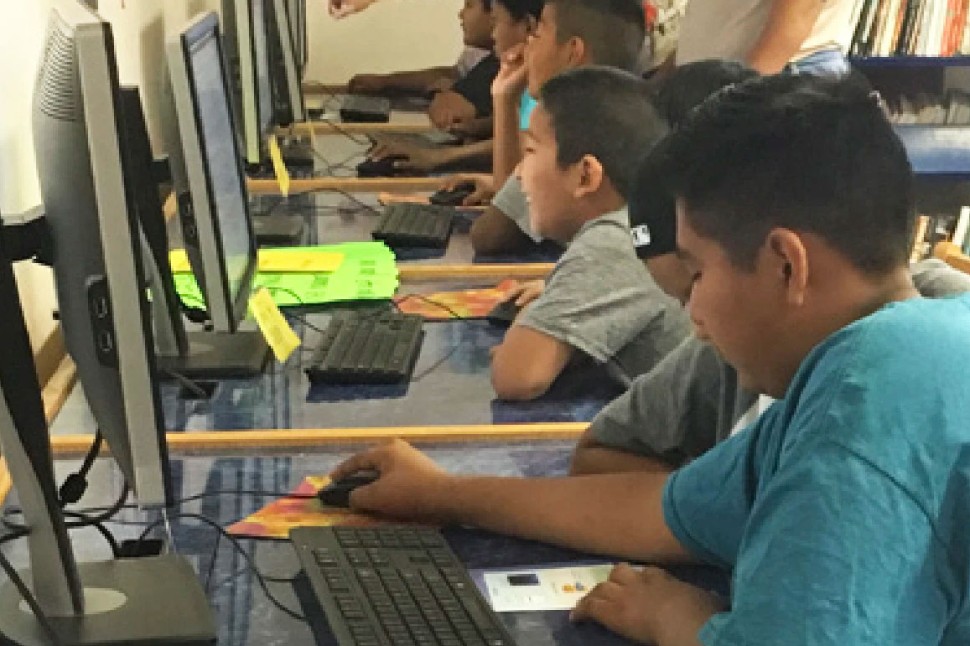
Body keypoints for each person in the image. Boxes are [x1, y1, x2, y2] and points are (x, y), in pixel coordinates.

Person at [330, 74, 970, 645]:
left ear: (785, 265)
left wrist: (682, 623)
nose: (690, 313)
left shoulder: (869, 401)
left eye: (695, 271)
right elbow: (662, 512)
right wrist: (441, 493)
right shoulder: (876, 356)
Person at [491, 67, 688, 399]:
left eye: (530, 152)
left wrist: (537, 313)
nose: (520, 174)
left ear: (585, 175)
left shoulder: (615, 241)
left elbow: (517, 376)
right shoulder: (636, 224)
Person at [471, 0, 648, 255]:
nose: (528, 45)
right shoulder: (636, 113)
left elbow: (491, 234)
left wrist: (504, 98)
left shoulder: (569, 121)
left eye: (537, 34)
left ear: (572, 52)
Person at [365, 0, 545, 174]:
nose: (494, 33)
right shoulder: (520, 72)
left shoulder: (549, 79)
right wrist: (482, 126)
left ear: (529, 26)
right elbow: (527, 129)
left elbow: (532, 143)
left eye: (497, 21)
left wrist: (439, 156)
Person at [347, 0, 498, 131]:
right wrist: (385, 81)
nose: (460, 14)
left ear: (495, 15)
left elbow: (448, 113)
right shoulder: (477, 52)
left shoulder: (499, 61)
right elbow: (451, 74)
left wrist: (442, 91)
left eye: (469, 5)